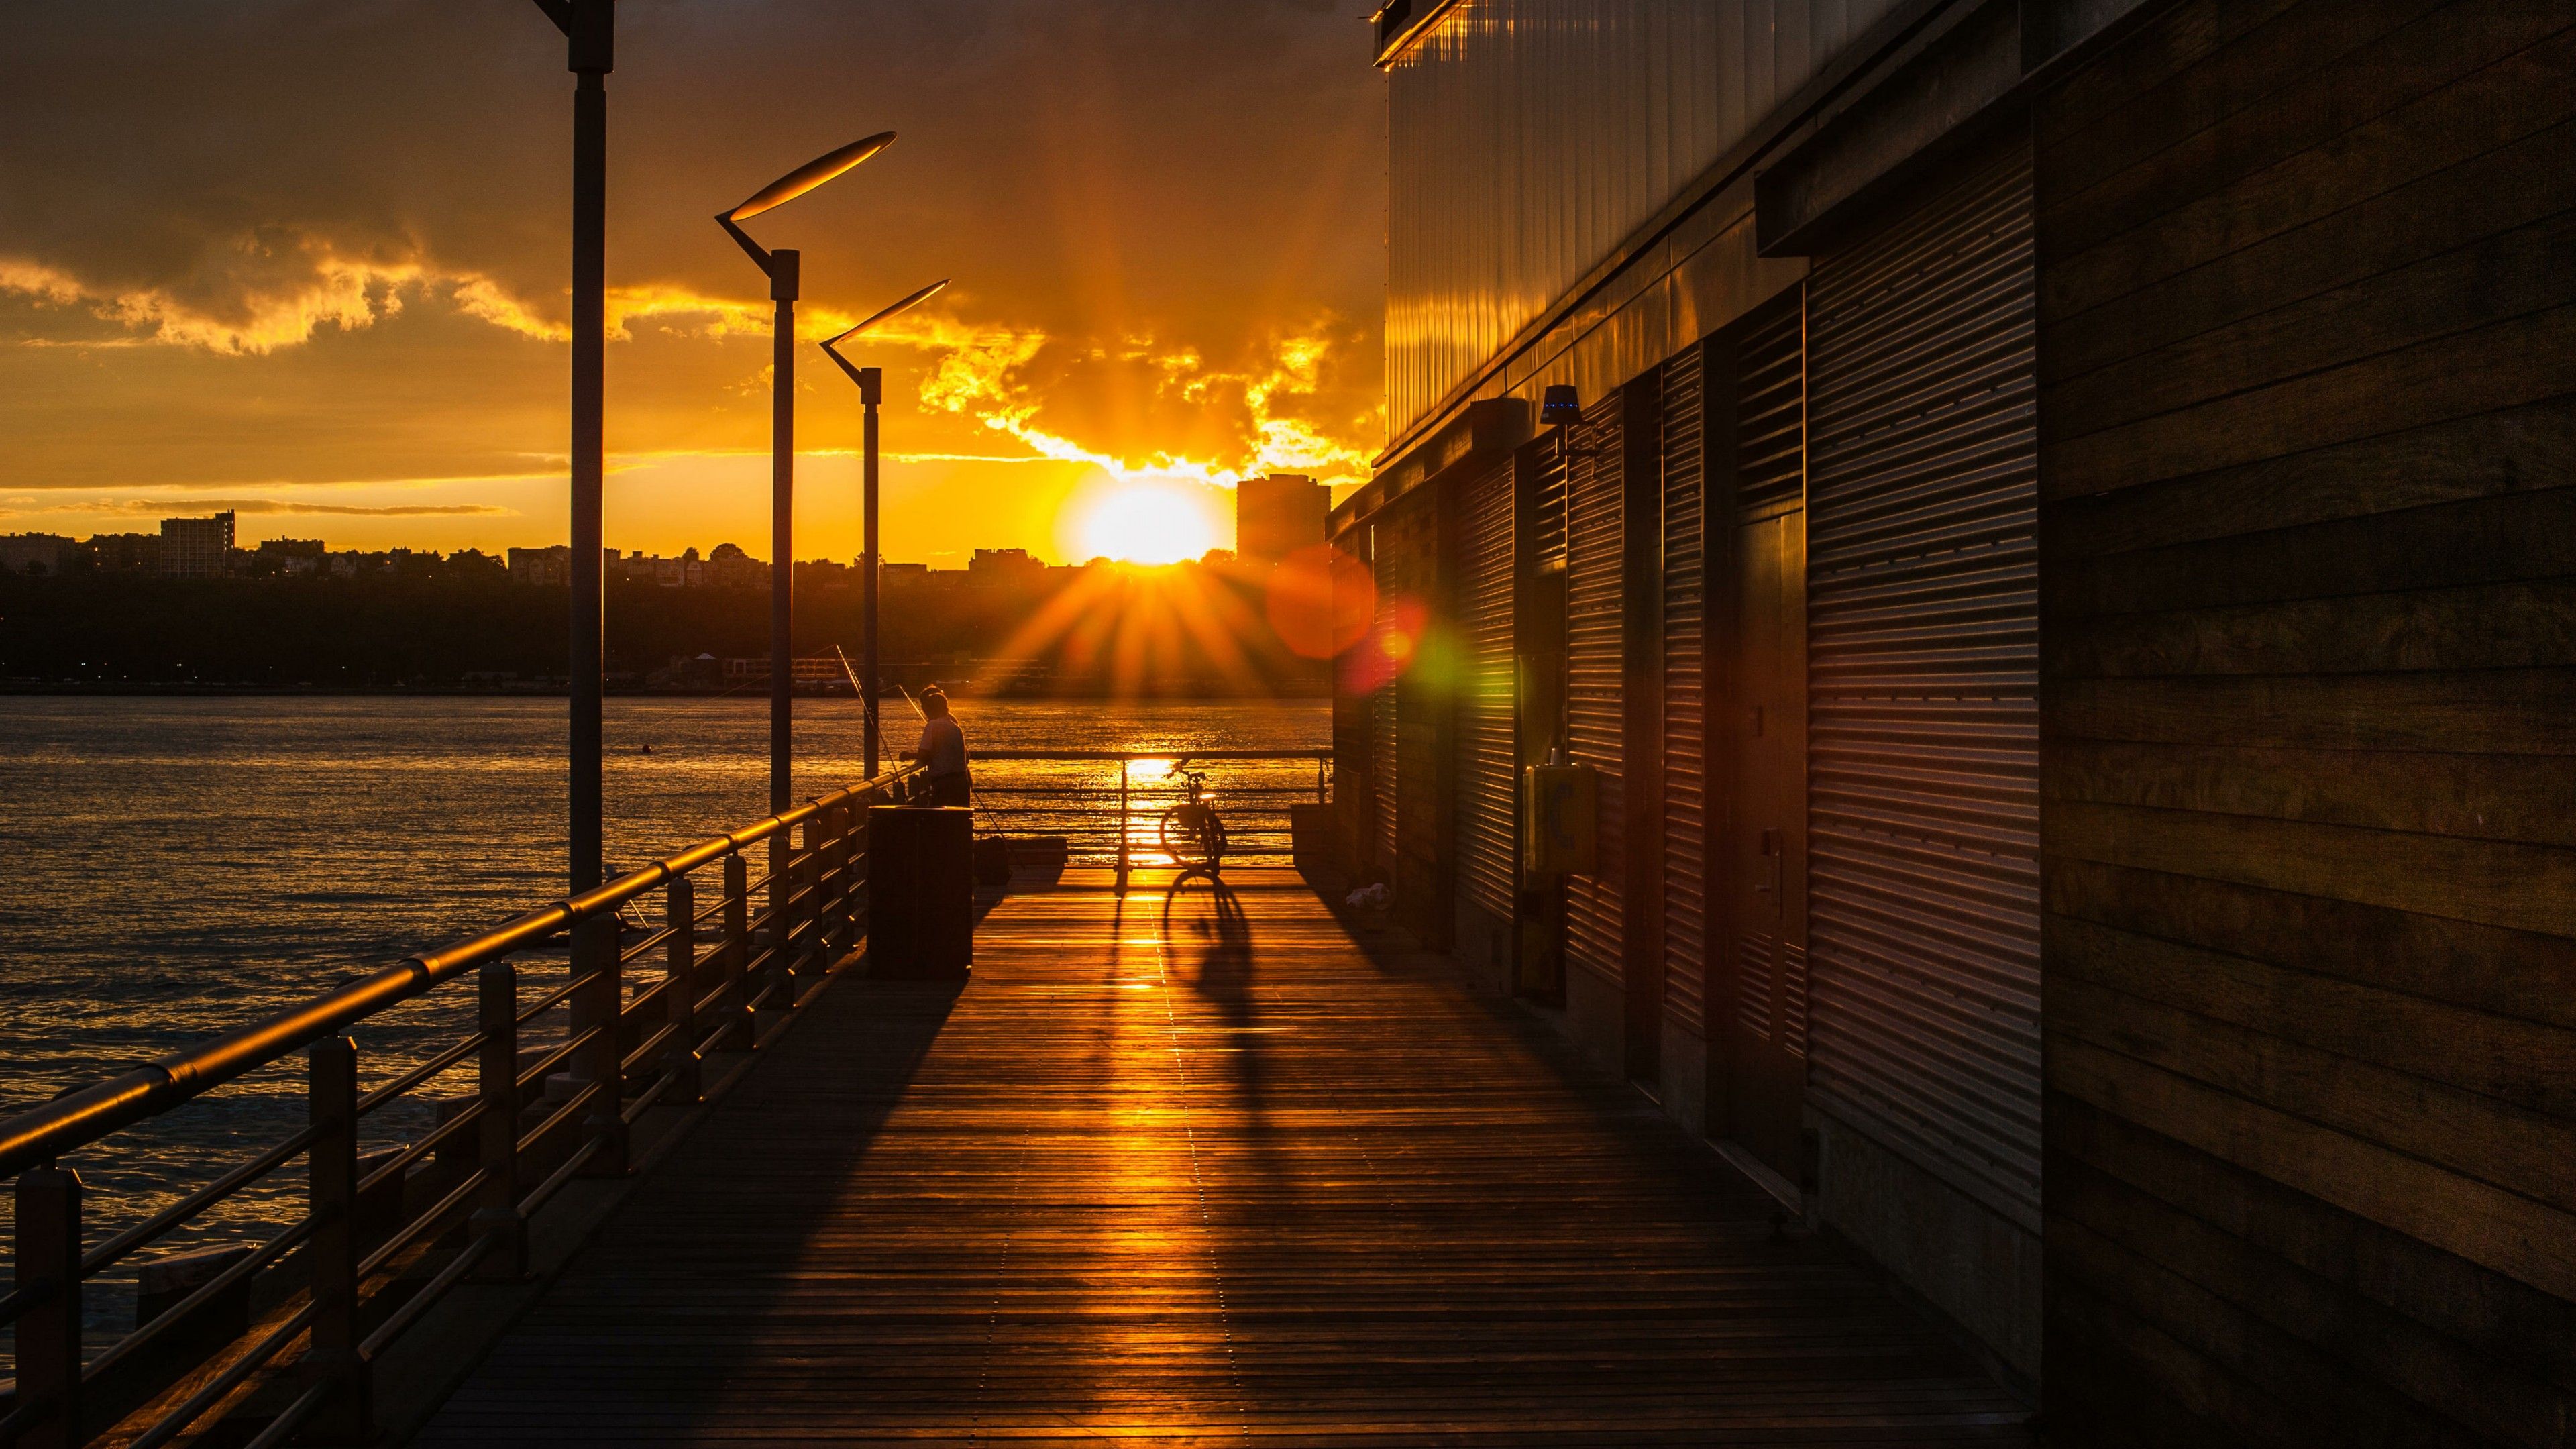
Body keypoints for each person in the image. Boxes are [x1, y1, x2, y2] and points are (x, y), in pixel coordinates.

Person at [910, 686, 971, 808]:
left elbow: (924, 754)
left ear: (931, 708)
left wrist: (906, 755)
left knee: (937, 816)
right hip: (962, 780)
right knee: (960, 816)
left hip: (944, 782)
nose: (924, 710)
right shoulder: (956, 727)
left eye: (926, 706)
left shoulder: (933, 725)